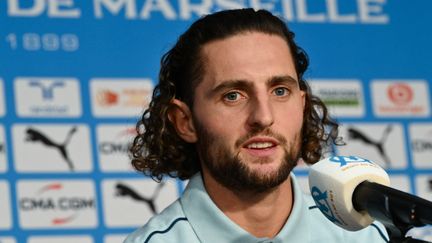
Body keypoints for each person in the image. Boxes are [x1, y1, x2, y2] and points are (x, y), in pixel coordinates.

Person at [125, 8, 389, 243]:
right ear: (185, 121)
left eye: (280, 91)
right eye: (233, 96)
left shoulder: (362, 236)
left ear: (302, 105)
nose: (263, 117)